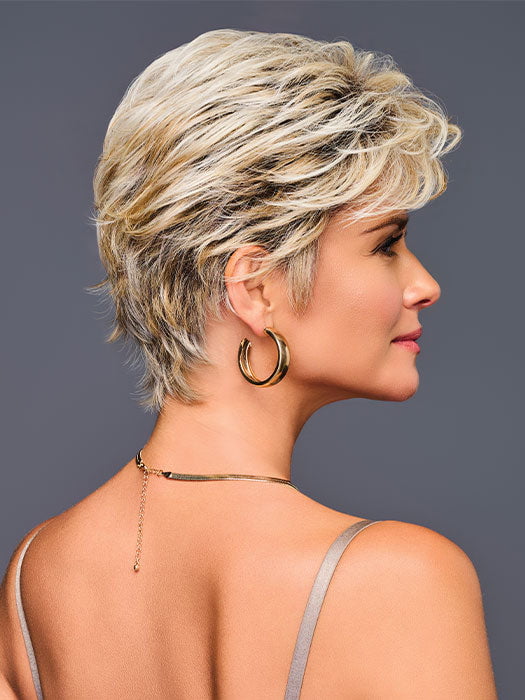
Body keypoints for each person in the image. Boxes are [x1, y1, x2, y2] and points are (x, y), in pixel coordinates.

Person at [0, 28, 497, 699]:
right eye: (386, 245)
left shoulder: (36, 573)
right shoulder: (400, 579)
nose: (424, 285)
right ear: (256, 288)